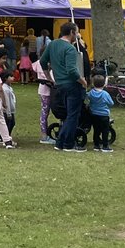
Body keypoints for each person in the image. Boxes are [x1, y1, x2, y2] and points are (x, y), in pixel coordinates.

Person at [41, 22, 86, 153]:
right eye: (76, 32)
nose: (77, 35)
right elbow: (72, 70)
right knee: (73, 116)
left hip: (59, 85)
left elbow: (43, 61)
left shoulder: (52, 44)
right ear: (72, 32)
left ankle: (60, 143)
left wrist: (49, 77)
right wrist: (82, 80)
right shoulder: (70, 49)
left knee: (67, 116)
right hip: (72, 84)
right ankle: (67, 144)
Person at [87, 74, 115, 153]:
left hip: (94, 114)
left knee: (96, 130)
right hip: (104, 115)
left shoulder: (91, 93)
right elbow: (111, 103)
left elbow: (87, 99)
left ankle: (96, 145)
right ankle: (105, 146)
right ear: (104, 84)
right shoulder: (105, 94)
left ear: (93, 83)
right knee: (105, 130)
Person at [36, 51, 56, 145]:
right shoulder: (47, 68)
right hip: (46, 92)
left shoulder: (39, 64)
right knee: (44, 113)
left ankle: (44, 134)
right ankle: (44, 136)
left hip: (44, 91)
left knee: (45, 112)